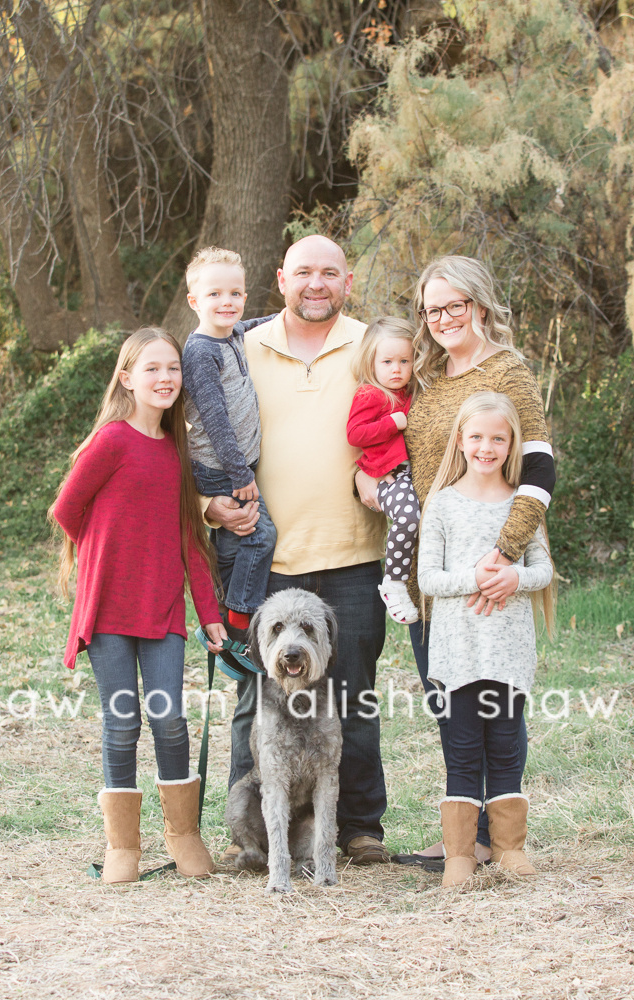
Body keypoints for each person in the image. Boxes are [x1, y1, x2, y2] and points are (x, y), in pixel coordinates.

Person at [355, 254, 556, 864]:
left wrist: (505, 555)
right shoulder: (431, 376)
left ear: (480, 304)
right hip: (433, 574)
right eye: (431, 309)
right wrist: (363, 485)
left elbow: (540, 464)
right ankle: (466, 841)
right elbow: (398, 453)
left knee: (497, 703)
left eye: (454, 305)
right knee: (452, 705)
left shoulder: (508, 370)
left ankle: (501, 841)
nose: (442, 318)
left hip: (491, 569)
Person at [204, 235, 390, 864]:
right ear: (280, 278)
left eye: (329, 273)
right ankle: (250, 835)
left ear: (348, 279)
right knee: (254, 698)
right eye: (303, 272)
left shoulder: (371, 345)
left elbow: (406, 419)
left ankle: (360, 828)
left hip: (353, 554)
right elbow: (198, 428)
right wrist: (206, 504)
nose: (316, 283)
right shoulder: (241, 345)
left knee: (354, 695)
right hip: (264, 561)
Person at [50, 327, 227, 885]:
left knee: (170, 720)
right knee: (122, 722)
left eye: (173, 368)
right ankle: (123, 845)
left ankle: (183, 836)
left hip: (162, 613)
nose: (165, 378)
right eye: (152, 368)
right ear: (127, 378)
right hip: (107, 611)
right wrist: (109, 552)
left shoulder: (177, 451)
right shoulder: (110, 442)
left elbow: (187, 542)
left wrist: (210, 613)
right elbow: (67, 511)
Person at [417, 392, 554, 887]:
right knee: (462, 747)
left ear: (513, 442)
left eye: (499, 438)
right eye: (477, 437)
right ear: (460, 440)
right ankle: (459, 854)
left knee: (505, 747)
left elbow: (543, 569)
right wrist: (475, 577)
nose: (487, 447)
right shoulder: (444, 503)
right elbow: (428, 578)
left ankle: (508, 847)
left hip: (509, 651)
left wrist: (515, 578)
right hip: (458, 653)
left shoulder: (524, 504)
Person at [181, 246, 277, 645]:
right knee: (259, 535)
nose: (227, 302)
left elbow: (257, 323)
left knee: (234, 540)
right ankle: (239, 614)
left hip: (234, 466)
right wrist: (240, 474)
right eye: (215, 294)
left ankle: (221, 614)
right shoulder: (202, 352)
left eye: (235, 293)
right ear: (194, 301)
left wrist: (288, 314)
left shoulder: (233, 333)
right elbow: (217, 422)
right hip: (220, 467)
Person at [347, 316, 420, 625]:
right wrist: (392, 423)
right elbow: (355, 434)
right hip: (386, 476)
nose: (396, 369)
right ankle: (394, 583)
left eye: (404, 361)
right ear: (371, 363)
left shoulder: (410, 392)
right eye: (387, 361)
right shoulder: (371, 394)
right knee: (407, 517)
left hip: (409, 474)